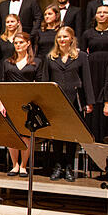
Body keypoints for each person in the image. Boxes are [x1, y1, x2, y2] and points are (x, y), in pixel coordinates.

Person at [42, 27, 93, 182]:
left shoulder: (81, 56)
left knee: (72, 135)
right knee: (56, 135)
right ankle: (58, 166)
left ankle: (69, 167)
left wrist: (89, 102)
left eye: (65, 37)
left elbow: (87, 80)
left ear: (71, 38)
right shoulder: (50, 57)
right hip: (55, 101)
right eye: (59, 37)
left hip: (74, 100)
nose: (62, 40)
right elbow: (45, 81)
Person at [0, 32, 41, 178]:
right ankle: (15, 164)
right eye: (16, 43)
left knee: (25, 135)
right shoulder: (7, 62)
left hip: (29, 103)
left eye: (21, 42)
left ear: (28, 43)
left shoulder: (36, 62)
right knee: (12, 135)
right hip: (10, 101)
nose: (18, 45)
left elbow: (40, 83)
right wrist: (1, 102)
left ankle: (23, 166)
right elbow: (2, 84)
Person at [82, 5, 108, 143]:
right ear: (95, 15)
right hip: (92, 70)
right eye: (99, 12)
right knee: (94, 101)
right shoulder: (87, 33)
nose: (102, 15)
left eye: (105, 12)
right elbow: (83, 52)